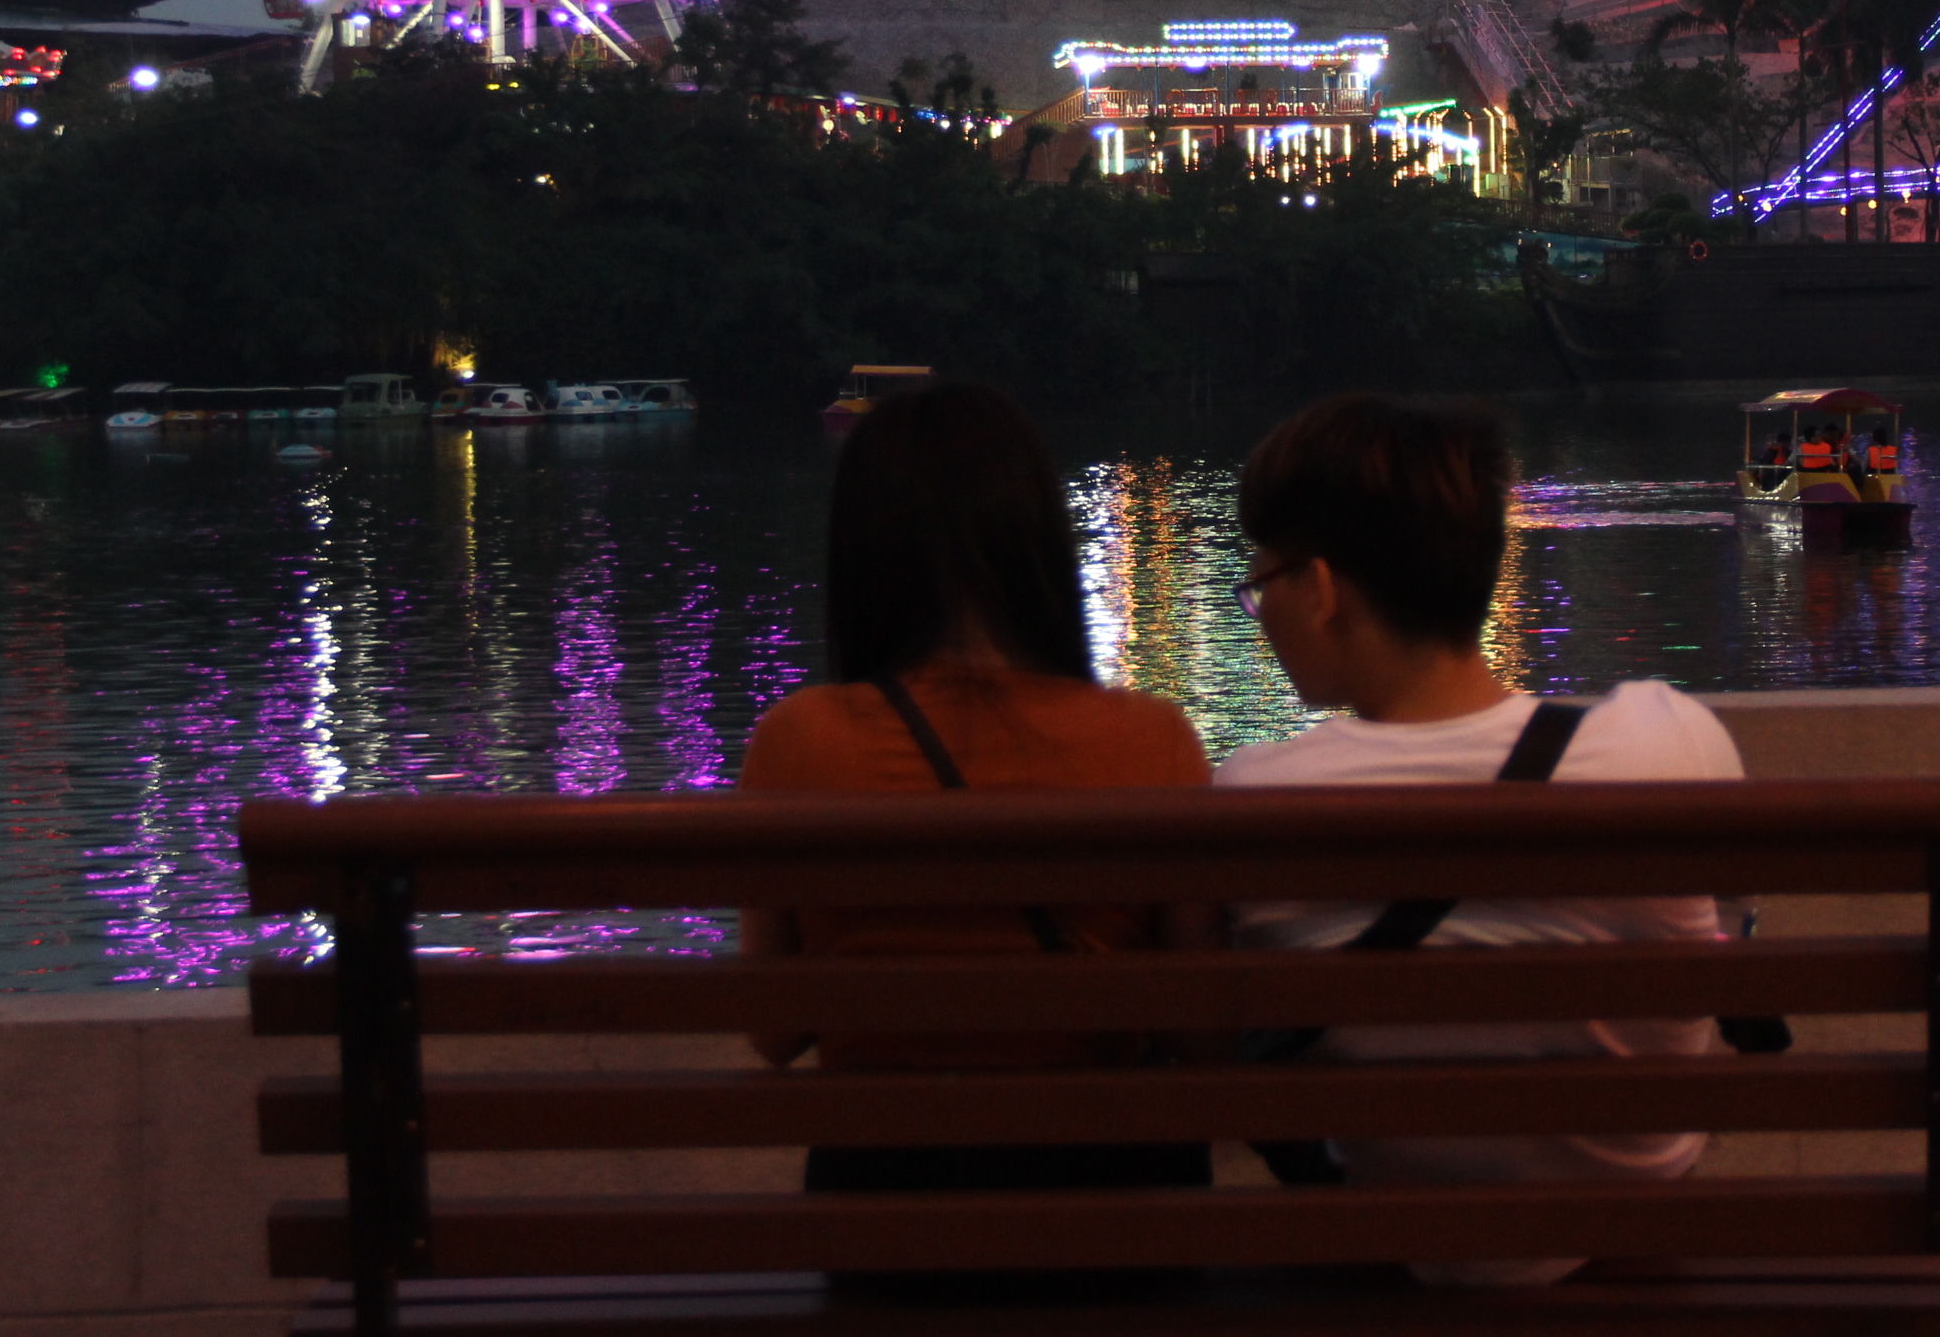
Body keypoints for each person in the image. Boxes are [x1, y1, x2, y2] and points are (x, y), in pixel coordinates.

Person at [1216, 393, 1745, 1284]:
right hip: (1634, 1251)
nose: (1257, 613)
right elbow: (1729, 939)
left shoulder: (1256, 797)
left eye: (1259, 584)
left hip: (1405, 1259)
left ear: (1319, 590)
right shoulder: (1668, 737)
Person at [738, 381, 1211, 1231]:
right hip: (1114, 1222)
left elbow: (775, 1031)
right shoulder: (1153, 740)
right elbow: (1196, 1034)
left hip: (883, 1220)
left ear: (862, 546)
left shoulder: (798, 741)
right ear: (1037, 540)